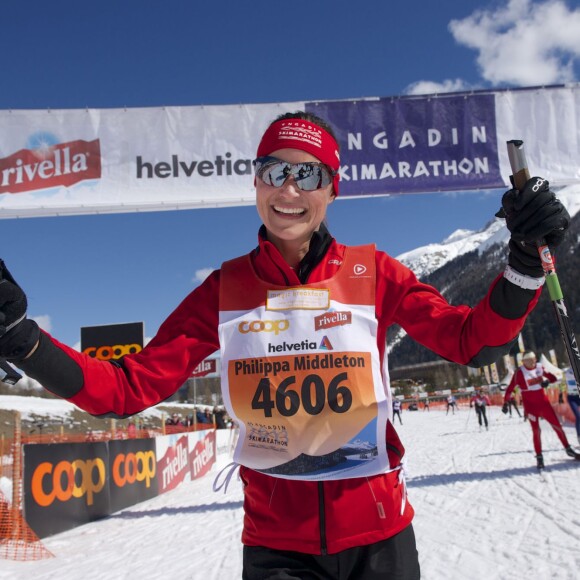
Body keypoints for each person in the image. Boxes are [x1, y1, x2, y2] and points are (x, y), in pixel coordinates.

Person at [0, 110, 572, 579]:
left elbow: (470, 341)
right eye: (274, 172)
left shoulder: (376, 272)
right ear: (255, 183)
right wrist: (21, 337)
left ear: (333, 188)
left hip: (382, 542)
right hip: (279, 553)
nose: (289, 189)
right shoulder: (223, 290)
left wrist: (522, 266)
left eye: (309, 174)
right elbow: (124, 389)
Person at [503, 351, 580, 469]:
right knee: (536, 431)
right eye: (529, 361)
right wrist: (505, 402)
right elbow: (510, 388)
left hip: (544, 405)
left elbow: (553, 378)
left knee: (557, 426)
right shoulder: (519, 373)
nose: (533, 362)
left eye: (534, 359)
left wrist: (547, 382)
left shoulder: (539, 367)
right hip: (531, 407)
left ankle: (568, 449)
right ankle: (539, 458)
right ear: (524, 362)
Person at [563, 367, 580, 445]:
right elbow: (560, 381)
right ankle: (579, 437)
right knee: (578, 416)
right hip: (572, 397)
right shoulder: (566, 371)